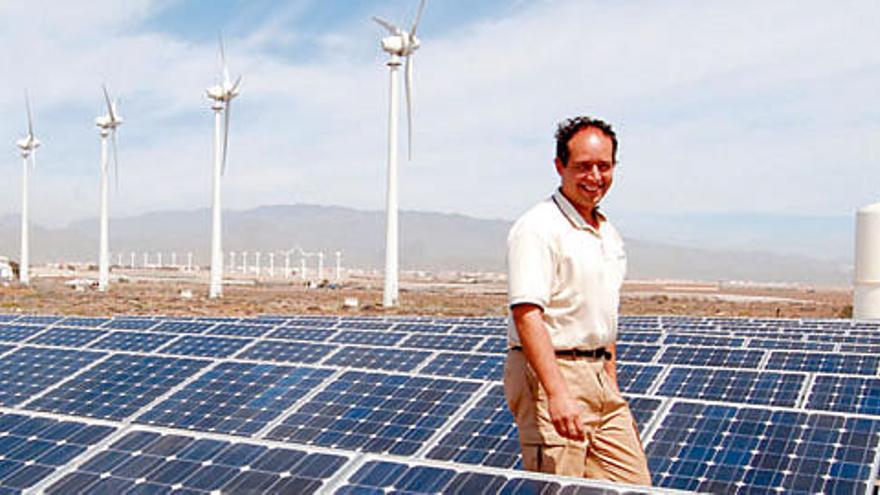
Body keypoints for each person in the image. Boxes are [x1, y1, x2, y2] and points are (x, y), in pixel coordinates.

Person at [503, 116, 651, 485]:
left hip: (599, 377)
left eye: (604, 166)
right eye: (583, 167)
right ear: (560, 167)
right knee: (562, 488)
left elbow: (604, 315)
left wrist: (611, 383)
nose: (595, 177)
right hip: (553, 372)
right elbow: (527, 314)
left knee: (634, 487)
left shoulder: (608, 234)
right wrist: (557, 393)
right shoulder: (538, 228)